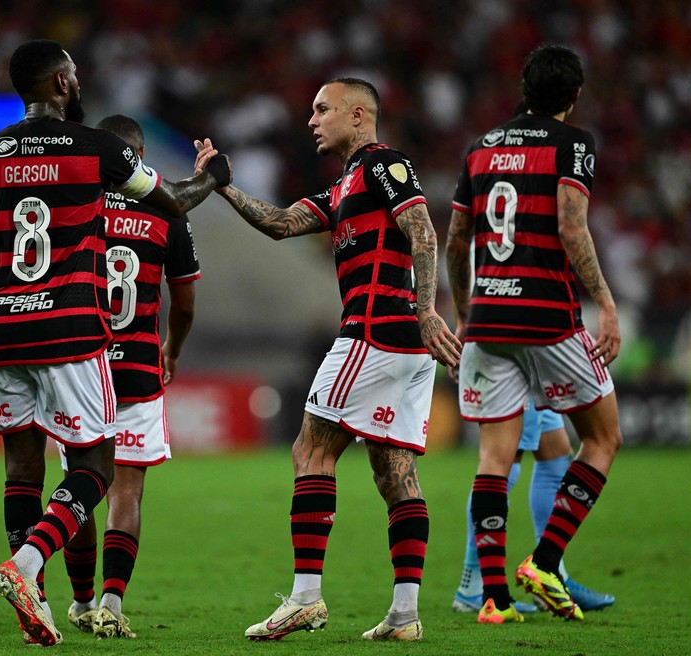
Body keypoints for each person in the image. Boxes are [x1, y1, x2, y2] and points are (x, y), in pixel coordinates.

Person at [0, 39, 230, 647]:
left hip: (4, 333)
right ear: (62, 83)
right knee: (95, 463)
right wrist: (207, 180)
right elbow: (171, 203)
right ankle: (28, 567)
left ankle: (33, 603)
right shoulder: (97, 147)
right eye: (75, 73)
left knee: (21, 465)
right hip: (70, 331)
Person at [198, 77, 461, 643]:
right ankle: (405, 614)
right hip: (403, 344)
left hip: (373, 332)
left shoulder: (384, 165)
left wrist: (426, 310)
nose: (312, 120)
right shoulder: (344, 186)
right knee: (395, 474)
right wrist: (225, 188)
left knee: (310, 449)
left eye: (323, 110)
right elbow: (279, 224)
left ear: (359, 115)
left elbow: (423, 230)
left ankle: (306, 598)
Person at [446, 44, 623, 624]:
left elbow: (455, 239)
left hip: (489, 322)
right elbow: (572, 226)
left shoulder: (480, 149)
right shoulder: (573, 144)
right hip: (547, 318)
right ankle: (545, 561)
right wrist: (604, 300)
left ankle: (493, 598)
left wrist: (467, 309)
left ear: (524, 88)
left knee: (493, 461)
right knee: (602, 440)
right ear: (574, 96)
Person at [55, 114, 201, 640]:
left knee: (82, 485)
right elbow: (184, 302)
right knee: (127, 493)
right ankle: (113, 604)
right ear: (139, 159)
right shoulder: (167, 211)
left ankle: (81, 600)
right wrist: (173, 348)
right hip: (139, 366)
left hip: (80, 366)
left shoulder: (75, 203)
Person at [452, 402, 615, 614]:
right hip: (517, 375)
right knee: (503, 460)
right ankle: (473, 584)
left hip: (535, 375)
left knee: (555, 453)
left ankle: (552, 574)